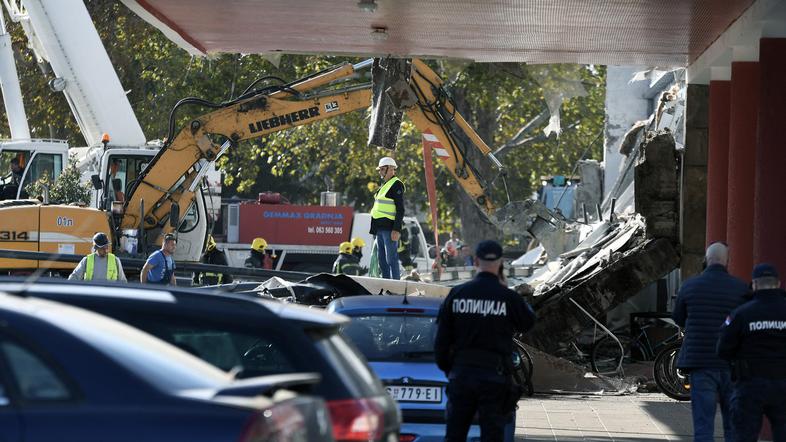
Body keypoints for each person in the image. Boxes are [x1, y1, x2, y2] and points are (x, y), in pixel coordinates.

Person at [434, 240, 536, 441]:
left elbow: (441, 344)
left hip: (462, 375)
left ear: (476, 262)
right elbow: (529, 322)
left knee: (455, 434)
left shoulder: (457, 294)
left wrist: (451, 369)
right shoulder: (508, 297)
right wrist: (506, 290)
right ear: (500, 263)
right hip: (494, 377)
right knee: (492, 435)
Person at [672, 242, 748, 442]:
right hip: (731, 365)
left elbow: (678, 318)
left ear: (706, 260)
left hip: (701, 363)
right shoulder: (741, 289)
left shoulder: (689, 286)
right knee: (733, 424)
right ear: (727, 262)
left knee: (703, 424)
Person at [717, 263, 786, 442]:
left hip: (749, 384)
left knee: (744, 435)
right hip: (783, 383)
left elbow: (722, 349)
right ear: (778, 284)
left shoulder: (742, 314)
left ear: (754, 285)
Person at [369, 156, 404, 280]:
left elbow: (400, 209)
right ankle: (386, 284)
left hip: (390, 229)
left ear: (390, 169)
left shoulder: (396, 185)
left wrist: (396, 229)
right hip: (379, 228)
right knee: (382, 261)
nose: (380, 172)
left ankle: (395, 285)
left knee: (391, 259)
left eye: (382, 169)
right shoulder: (384, 185)